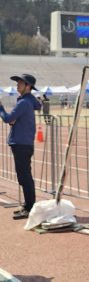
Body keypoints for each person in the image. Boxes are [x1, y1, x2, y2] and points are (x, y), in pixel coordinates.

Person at [0, 74, 42, 218]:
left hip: (21, 143)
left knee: (24, 176)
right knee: (25, 176)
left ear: (28, 86)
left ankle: (29, 207)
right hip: (23, 142)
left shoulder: (24, 102)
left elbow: (8, 119)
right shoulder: (26, 101)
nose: (17, 85)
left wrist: (0, 107)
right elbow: (12, 121)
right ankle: (28, 205)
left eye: (20, 83)